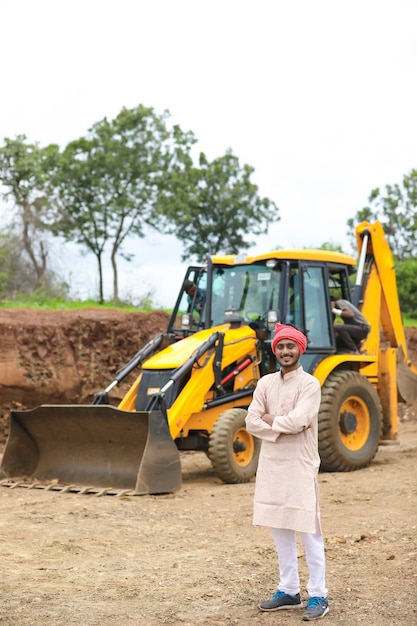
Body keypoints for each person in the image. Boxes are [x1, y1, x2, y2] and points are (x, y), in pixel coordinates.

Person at [245, 323, 329, 622]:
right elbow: (251, 421)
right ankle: (289, 590)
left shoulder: (310, 384)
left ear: (299, 349)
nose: (284, 351)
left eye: (290, 346)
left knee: (308, 530)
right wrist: (281, 421)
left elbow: (301, 421)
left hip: (300, 463)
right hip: (272, 464)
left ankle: (319, 593)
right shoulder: (265, 383)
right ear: (274, 350)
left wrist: (272, 420)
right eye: (280, 346)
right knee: (279, 527)